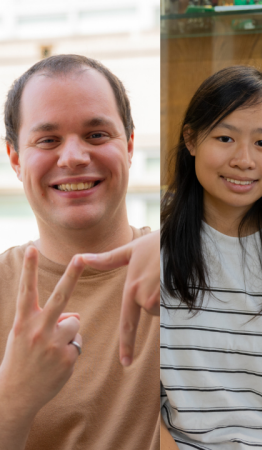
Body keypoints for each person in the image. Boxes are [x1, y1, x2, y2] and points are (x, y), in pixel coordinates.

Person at [0, 54, 160, 449]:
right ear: (15, 159)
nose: (73, 157)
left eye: (96, 135)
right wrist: (14, 398)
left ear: (130, 145)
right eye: (48, 140)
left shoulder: (183, 261)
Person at [159, 66, 262, 450]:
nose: (244, 160)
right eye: (225, 137)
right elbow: (135, 406)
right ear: (191, 139)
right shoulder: (155, 253)